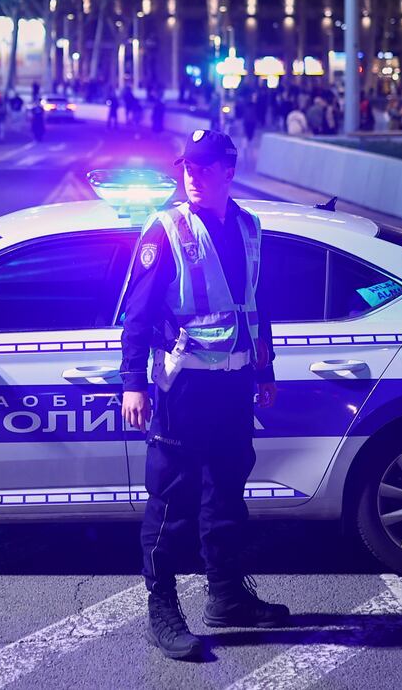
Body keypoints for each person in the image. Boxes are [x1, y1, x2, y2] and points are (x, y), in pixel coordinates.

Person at [120, 130, 289, 659]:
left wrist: (265, 370)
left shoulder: (248, 226)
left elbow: (254, 305)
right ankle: (162, 610)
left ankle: (226, 597)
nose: (191, 175)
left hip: (234, 385)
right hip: (181, 387)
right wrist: (132, 384)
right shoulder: (166, 229)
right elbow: (138, 316)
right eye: (187, 167)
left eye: (204, 167)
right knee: (171, 503)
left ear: (228, 169)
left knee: (226, 498)